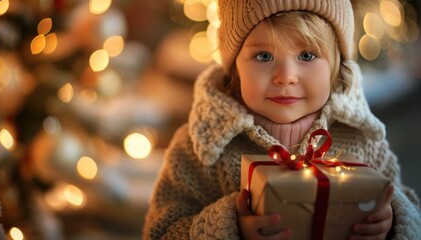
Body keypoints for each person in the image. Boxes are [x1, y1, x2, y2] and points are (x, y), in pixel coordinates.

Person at [143, 0, 421, 239]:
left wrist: (392, 221)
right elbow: (161, 230)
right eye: (263, 56)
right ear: (235, 69)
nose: (286, 76)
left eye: (307, 55)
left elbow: (410, 211)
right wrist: (228, 227)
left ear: (336, 67)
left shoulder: (362, 140)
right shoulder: (201, 149)